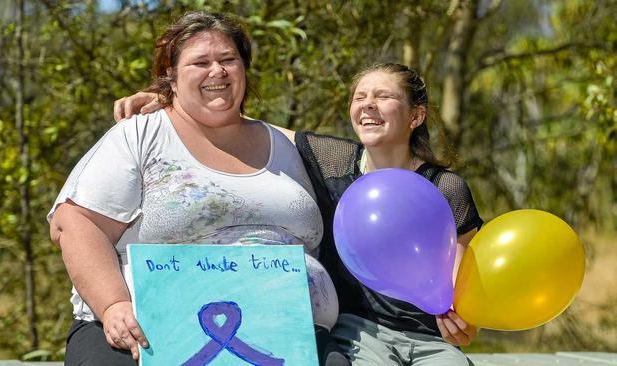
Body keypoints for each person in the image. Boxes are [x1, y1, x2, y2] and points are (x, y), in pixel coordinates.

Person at [117, 63, 483, 365]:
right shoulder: (333, 160)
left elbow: (464, 279)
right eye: (360, 97)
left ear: (415, 115)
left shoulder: (446, 187)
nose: (368, 105)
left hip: (430, 340)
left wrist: (466, 321)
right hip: (359, 334)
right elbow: (251, 127)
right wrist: (177, 103)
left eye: (384, 96)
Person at [48, 11, 347, 366]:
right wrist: (113, 305)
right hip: (148, 332)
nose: (217, 71)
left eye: (228, 60)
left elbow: (362, 155)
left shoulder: (285, 144)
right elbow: (75, 223)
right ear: (170, 78)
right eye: (200, 62)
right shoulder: (141, 134)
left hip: (284, 332)